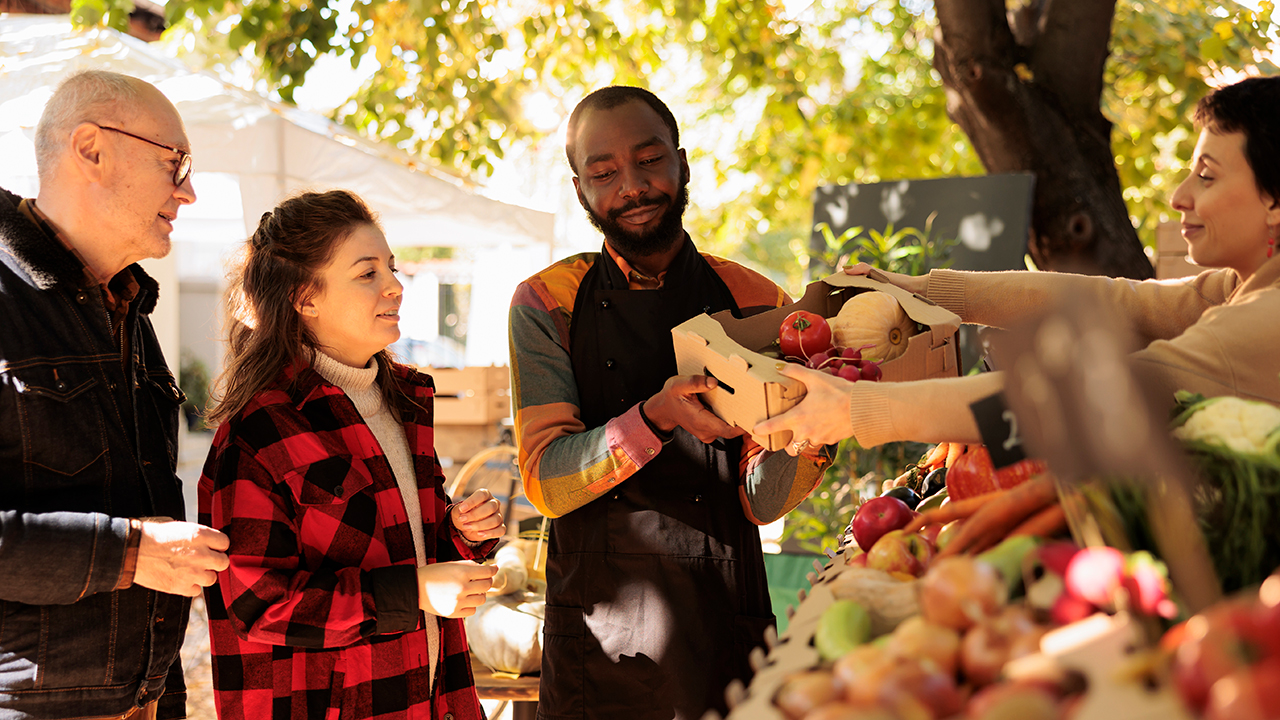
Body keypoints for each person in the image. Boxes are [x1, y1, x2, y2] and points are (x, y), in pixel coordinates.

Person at [508, 86, 834, 720]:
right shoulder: (546, 302)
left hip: (723, 628)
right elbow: (546, 482)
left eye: (649, 160)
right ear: (581, 191)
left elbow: (760, 500)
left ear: (682, 164)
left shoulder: (756, 297)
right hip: (597, 651)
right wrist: (654, 417)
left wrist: (812, 435)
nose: (631, 186)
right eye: (603, 173)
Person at [755, 75, 1280, 452]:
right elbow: (1109, 300)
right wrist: (917, 291)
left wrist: (858, 409)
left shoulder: (1265, 320)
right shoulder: (1240, 287)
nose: (1178, 196)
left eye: (1207, 176)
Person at [198, 189, 505, 720]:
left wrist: (461, 534)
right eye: (368, 274)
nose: (395, 286)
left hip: (433, 698)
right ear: (304, 297)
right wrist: (413, 593)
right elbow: (258, 602)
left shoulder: (405, 402)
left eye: (392, 267)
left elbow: (403, 542)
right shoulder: (261, 429)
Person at [0, 69, 231, 720]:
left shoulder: (129, 308)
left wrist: (165, 694)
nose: (189, 191)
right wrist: (129, 552)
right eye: (175, 163)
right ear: (91, 149)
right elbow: (147, 550)